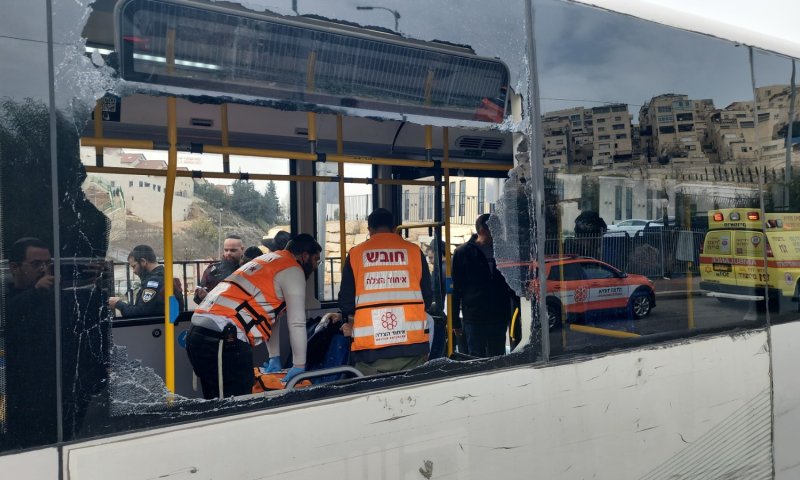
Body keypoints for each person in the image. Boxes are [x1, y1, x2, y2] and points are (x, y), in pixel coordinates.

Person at [186, 233, 322, 399]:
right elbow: (297, 323)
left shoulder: (267, 260)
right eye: (316, 260)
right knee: (235, 408)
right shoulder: (293, 268)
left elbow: (272, 318)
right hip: (223, 338)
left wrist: (274, 356)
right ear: (305, 256)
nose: (316, 266)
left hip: (199, 332)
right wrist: (299, 365)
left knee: (215, 402)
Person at [338, 208, 432, 376]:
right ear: (394, 228)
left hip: (370, 350)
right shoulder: (414, 252)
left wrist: (349, 320)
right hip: (412, 347)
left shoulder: (356, 254)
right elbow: (427, 296)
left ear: (370, 230)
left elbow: (346, 301)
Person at [451, 213, 516, 358]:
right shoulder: (463, 253)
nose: (497, 235)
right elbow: (456, 288)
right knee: (476, 358)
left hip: (499, 315)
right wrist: (455, 321)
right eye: (494, 231)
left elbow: (511, 282)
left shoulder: (503, 251)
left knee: (498, 356)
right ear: (482, 231)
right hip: (474, 316)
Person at [109, 245, 175, 317]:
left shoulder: (153, 282)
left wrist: (118, 304)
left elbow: (140, 313)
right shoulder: (165, 275)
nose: (134, 271)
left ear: (143, 261)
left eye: (134, 266)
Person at [193, 234, 244, 304]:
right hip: (215, 312)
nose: (228, 253)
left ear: (242, 249)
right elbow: (198, 298)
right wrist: (202, 296)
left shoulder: (248, 270)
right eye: (226, 250)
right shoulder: (212, 271)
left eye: (233, 250)